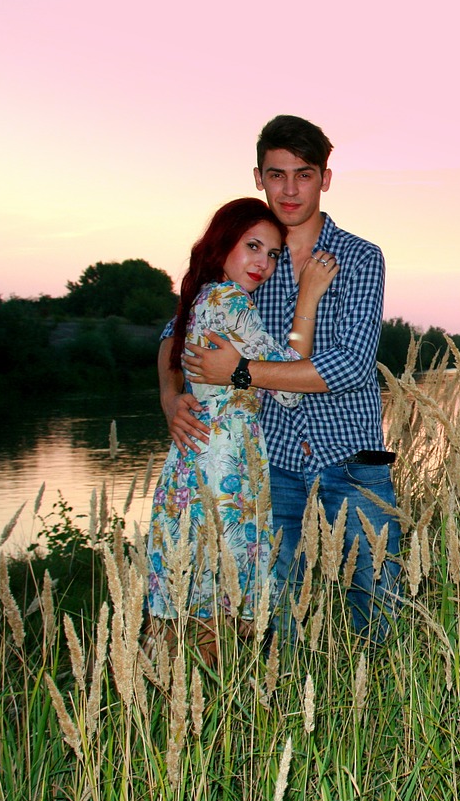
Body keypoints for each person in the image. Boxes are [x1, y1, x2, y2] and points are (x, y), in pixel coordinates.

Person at [161, 115, 402, 646]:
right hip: (271, 468)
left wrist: (241, 372)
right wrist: (170, 397)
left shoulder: (360, 258)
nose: (290, 190)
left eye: (304, 174)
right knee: (274, 622)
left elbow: (350, 367)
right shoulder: (248, 257)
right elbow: (174, 332)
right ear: (258, 177)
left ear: (326, 179)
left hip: (353, 462)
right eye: (277, 175)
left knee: (381, 611)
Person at [147, 197, 339, 663]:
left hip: (194, 464)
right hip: (224, 469)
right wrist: (308, 297)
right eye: (253, 246)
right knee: (221, 609)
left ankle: (174, 714)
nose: (264, 263)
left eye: (272, 254)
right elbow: (291, 384)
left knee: (190, 609)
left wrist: (178, 395)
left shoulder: (202, 297)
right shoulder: (230, 301)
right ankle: (210, 714)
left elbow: (172, 343)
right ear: (223, 243)